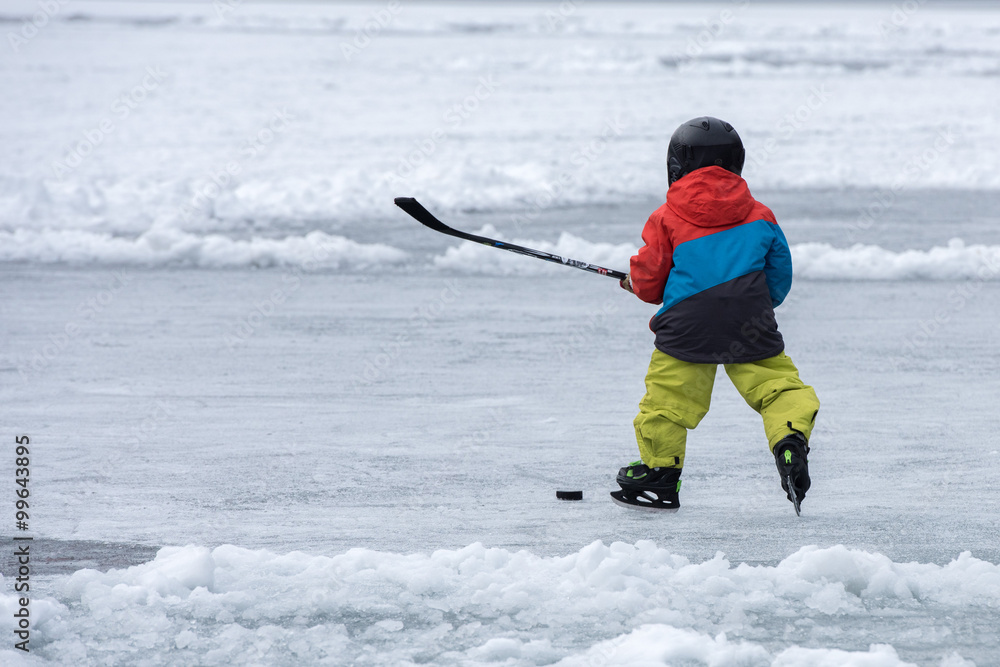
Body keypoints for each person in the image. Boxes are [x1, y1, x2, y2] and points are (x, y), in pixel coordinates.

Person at [612, 116, 819, 512]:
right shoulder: (760, 215)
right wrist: (755, 305)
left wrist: (635, 283)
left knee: (668, 400)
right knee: (778, 388)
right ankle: (789, 442)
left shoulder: (666, 216)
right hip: (751, 321)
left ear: (676, 164)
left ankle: (660, 474)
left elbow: (651, 279)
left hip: (687, 327)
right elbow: (780, 276)